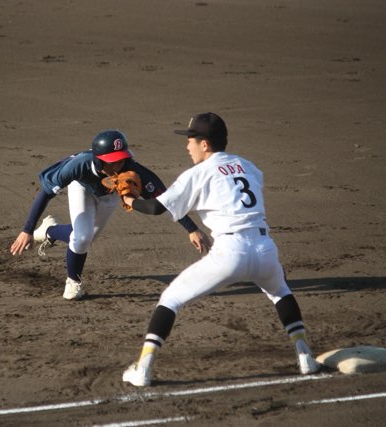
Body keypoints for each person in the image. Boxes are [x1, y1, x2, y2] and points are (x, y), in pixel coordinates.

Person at [120, 112, 320, 386]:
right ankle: (306, 357)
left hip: (230, 251)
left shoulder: (198, 173)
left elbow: (156, 207)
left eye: (190, 140)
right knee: (281, 292)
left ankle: (142, 369)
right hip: (265, 249)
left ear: (205, 144)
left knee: (170, 299)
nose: (187, 146)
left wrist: (130, 200)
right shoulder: (249, 166)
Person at [10, 129, 211, 300]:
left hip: (110, 196)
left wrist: (191, 228)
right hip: (82, 188)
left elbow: (165, 200)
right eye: (112, 161)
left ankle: (50, 230)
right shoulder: (78, 165)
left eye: (121, 160)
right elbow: (46, 193)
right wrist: (27, 230)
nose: (117, 166)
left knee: (87, 237)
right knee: (82, 238)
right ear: (98, 160)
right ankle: (73, 282)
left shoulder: (132, 169)